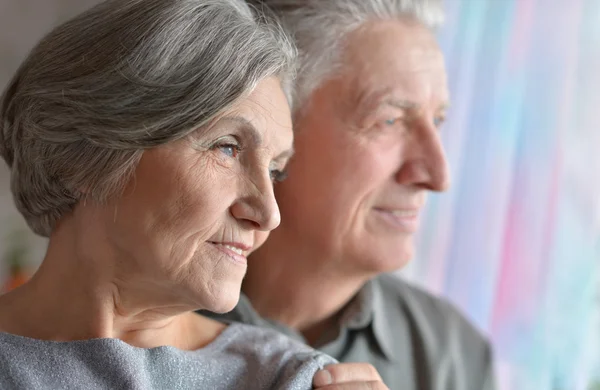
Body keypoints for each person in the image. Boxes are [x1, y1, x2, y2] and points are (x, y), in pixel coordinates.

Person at [0, 0, 387, 388]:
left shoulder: (292, 379)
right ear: (82, 156)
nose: (268, 214)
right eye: (227, 147)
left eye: (274, 171)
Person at [210, 0, 496, 388]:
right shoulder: (132, 326)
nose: (437, 176)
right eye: (389, 120)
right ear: (277, 122)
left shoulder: (457, 357)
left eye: (438, 120)